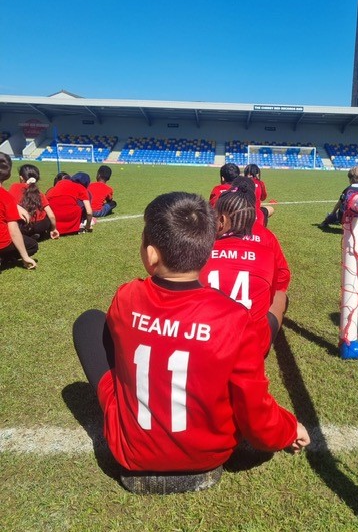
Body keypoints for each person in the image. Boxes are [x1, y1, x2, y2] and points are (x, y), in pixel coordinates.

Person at [73, 191, 309, 494]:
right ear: (208, 249)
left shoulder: (127, 297)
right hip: (207, 457)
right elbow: (256, 413)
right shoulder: (234, 318)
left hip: (131, 454)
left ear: (152, 254)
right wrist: (289, 428)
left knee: (89, 322)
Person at [200, 178, 290, 356]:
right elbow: (281, 280)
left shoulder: (203, 248)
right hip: (252, 345)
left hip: (204, 339)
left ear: (222, 220)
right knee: (280, 296)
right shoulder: (266, 249)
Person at [0, 152, 38, 269]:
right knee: (32, 245)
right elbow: (14, 230)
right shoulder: (6, 197)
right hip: (2, 242)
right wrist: (25, 257)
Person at [9, 164, 60, 240]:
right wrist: (53, 229)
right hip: (41, 225)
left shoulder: (14, 187)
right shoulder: (39, 193)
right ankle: (38, 234)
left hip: (23, 225)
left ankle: (26, 235)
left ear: (21, 178)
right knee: (45, 218)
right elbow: (51, 215)